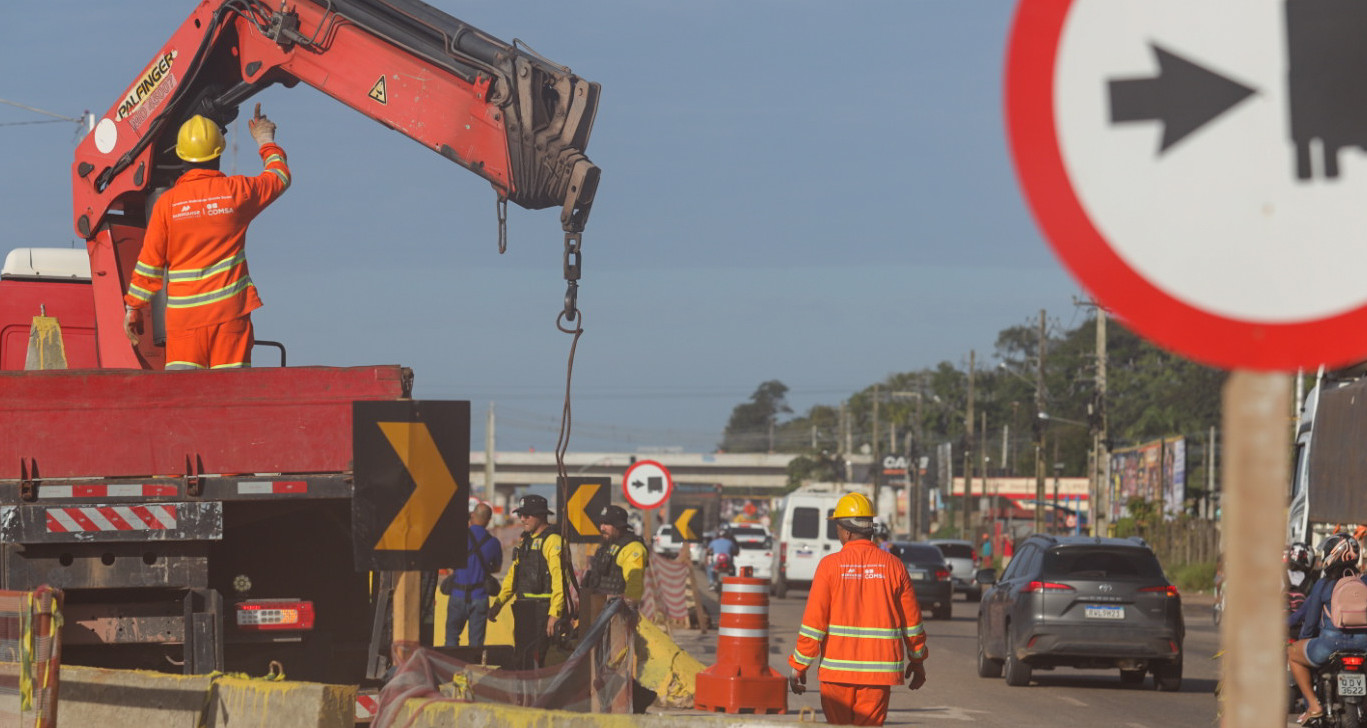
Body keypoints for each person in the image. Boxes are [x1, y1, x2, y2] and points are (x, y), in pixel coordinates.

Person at [123, 105, 291, 369]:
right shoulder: (237, 193)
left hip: (184, 322)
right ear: (219, 151)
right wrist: (265, 140)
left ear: (181, 155)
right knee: (230, 398)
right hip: (230, 317)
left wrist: (134, 308)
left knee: (187, 400)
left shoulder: (166, 205)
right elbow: (279, 177)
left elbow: (149, 264)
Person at [788, 492, 927, 726]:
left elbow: (814, 624)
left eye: (837, 529)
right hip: (878, 673)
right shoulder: (894, 566)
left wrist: (799, 666)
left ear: (847, 531)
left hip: (836, 674)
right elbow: (912, 623)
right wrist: (917, 660)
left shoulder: (829, 567)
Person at [1287, 534, 1367, 724]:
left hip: (1330, 644)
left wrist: (1303, 639)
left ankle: (1314, 706)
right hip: (1364, 644)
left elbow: (1311, 622)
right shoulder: (1364, 582)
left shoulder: (1322, 584)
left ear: (1332, 555)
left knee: (1292, 654)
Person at [489, 494, 565, 670]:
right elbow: (512, 576)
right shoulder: (526, 541)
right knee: (523, 656)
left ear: (541, 516)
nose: (522, 519)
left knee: (538, 658)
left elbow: (559, 579)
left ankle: (536, 695)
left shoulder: (552, 540)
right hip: (524, 608)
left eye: (527, 515)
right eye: (520, 515)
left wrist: (555, 614)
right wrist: (499, 603)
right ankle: (523, 695)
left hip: (542, 610)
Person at [441, 503, 502, 647]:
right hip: (480, 597)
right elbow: (497, 568)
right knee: (476, 644)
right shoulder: (493, 542)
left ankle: (451, 669)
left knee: (451, 639)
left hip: (457, 595)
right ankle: (473, 669)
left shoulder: (459, 537)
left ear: (472, 516)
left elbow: (449, 563)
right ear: (488, 520)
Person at [584, 504, 649, 607]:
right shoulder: (607, 546)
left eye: (607, 524)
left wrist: (629, 607)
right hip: (599, 608)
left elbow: (634, 583)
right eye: (601, 523)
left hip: (618, 611)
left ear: (619, 526)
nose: (602, 528)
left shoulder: (632, 548)